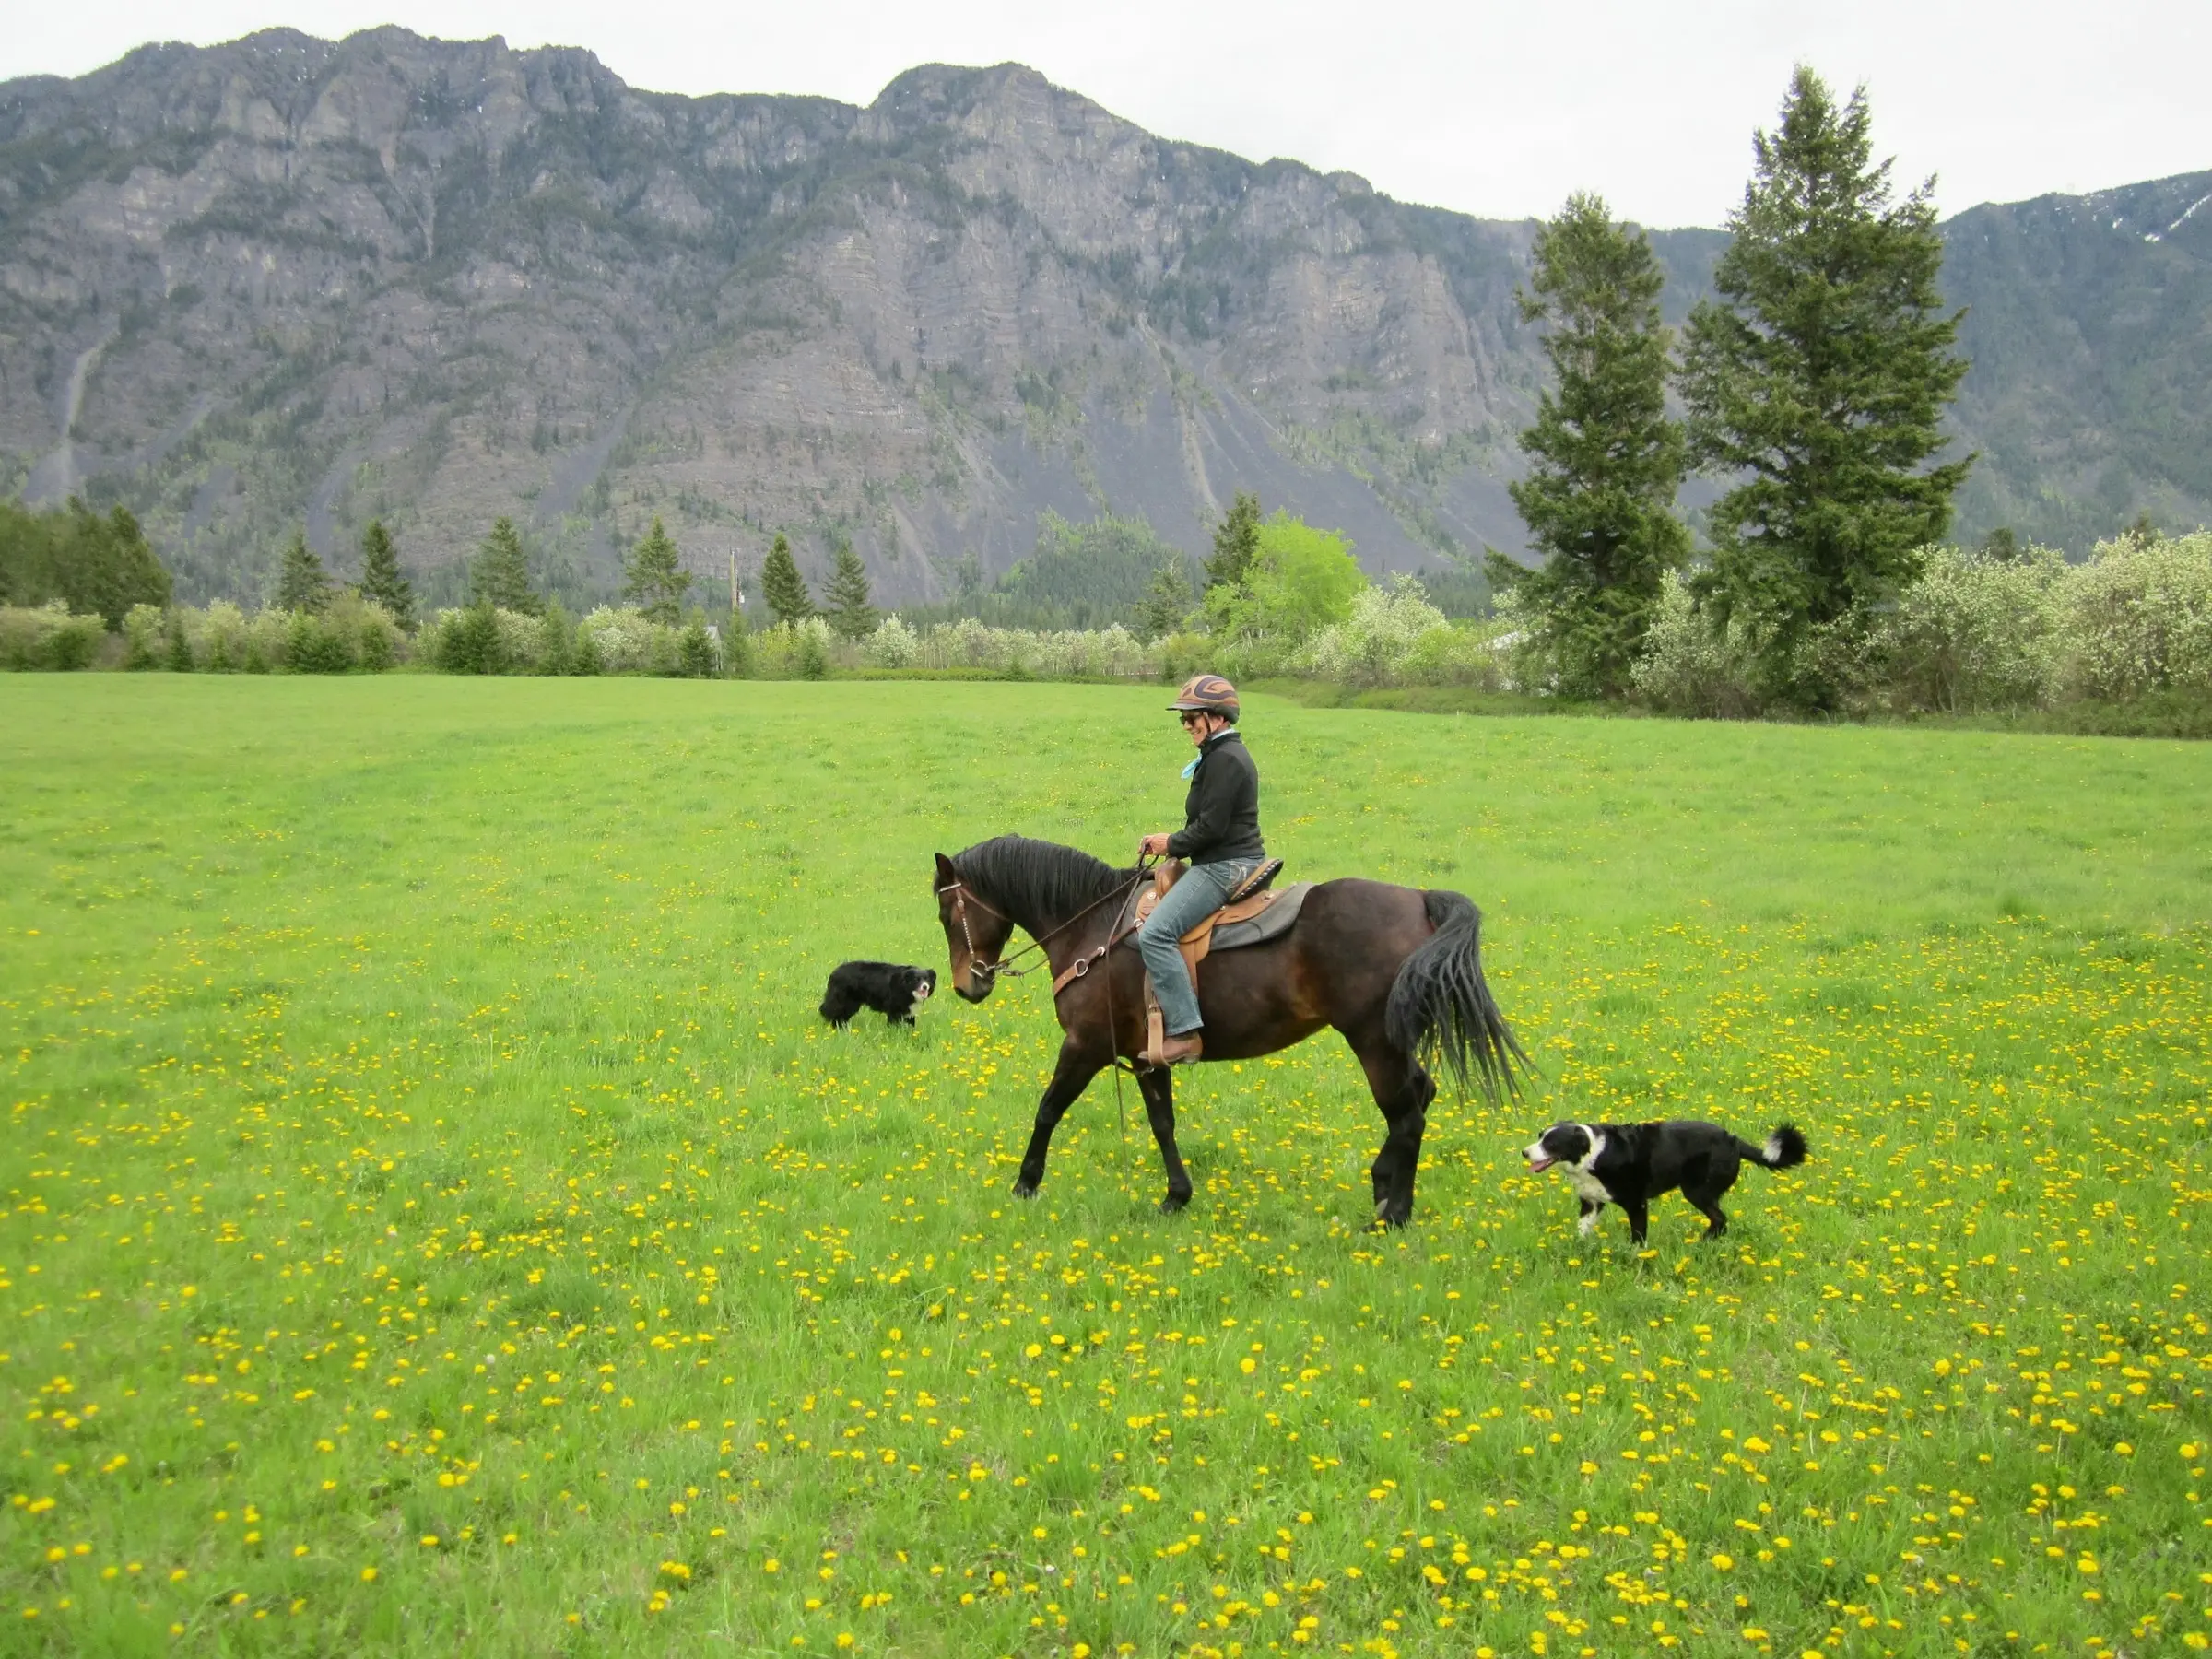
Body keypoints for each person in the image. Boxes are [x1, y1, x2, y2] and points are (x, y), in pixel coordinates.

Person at [1135, 673, 1265, 1065]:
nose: (1187, 725)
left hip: (1226, 866)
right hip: (1223, 859)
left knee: (1156, 934)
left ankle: (1184, 1032)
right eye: (1184, 719)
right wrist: (1170, 841)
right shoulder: (1219, 756)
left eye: (1194, 717)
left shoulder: (1225, 759)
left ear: (1219, 718)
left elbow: (1211, 828)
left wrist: (1169, 844)